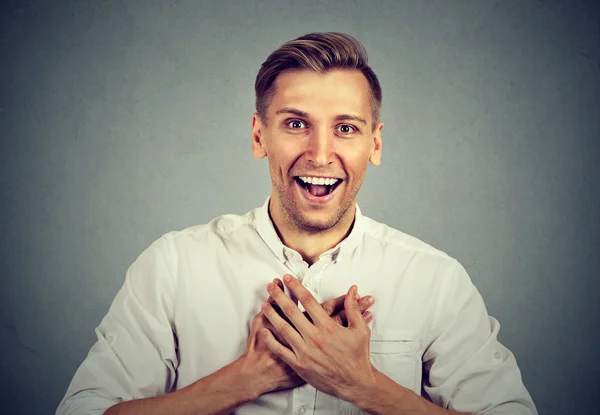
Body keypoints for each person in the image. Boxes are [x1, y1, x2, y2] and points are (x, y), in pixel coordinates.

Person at [56, 32, 537, 415]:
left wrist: (364, 385)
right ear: (258, 134)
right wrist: (246, 379)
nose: (321, 153)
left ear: (375, 143)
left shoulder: (435, 280)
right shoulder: (173, 265)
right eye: (295, 123)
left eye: (346, 128)